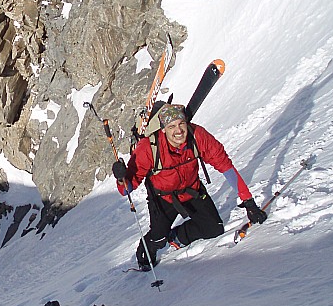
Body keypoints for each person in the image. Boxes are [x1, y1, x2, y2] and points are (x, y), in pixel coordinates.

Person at [113, 103, 267, 270]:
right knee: (157, 240)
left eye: (181, 124)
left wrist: (249, 203)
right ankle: (150, 244)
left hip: (192, 190)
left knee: (213, 229)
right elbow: (127, 189)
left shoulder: (197, 136)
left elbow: (225, 166)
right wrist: (121, 177)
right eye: (171, 126)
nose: (178, 131)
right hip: (162, 197)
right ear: (163, 129)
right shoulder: (149, 148)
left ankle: (175, 236)